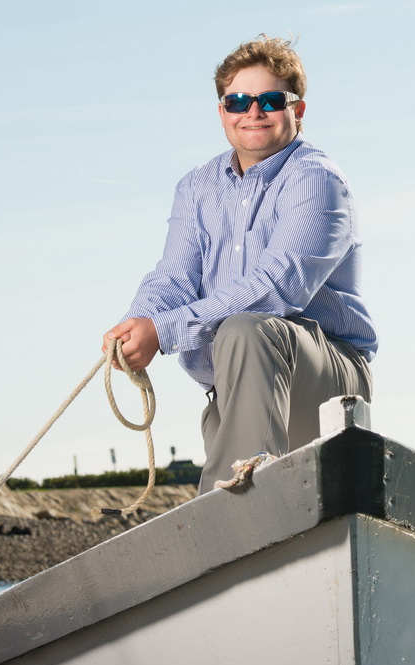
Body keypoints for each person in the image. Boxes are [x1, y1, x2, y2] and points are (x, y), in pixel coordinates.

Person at [102, 35, 378, 493]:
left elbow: (278, 285)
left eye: (270, 100)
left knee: (247, 328)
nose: (253, 112)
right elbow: (174, 278)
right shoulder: (197, 187)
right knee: (238, 340)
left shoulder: (317, 180)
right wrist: (140, 323)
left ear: (298, 110)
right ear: (222, 112)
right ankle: (234, 511)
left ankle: (223, 517)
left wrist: (166, 331)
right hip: (234, 391)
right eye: (238, 101)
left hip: (328, 379)